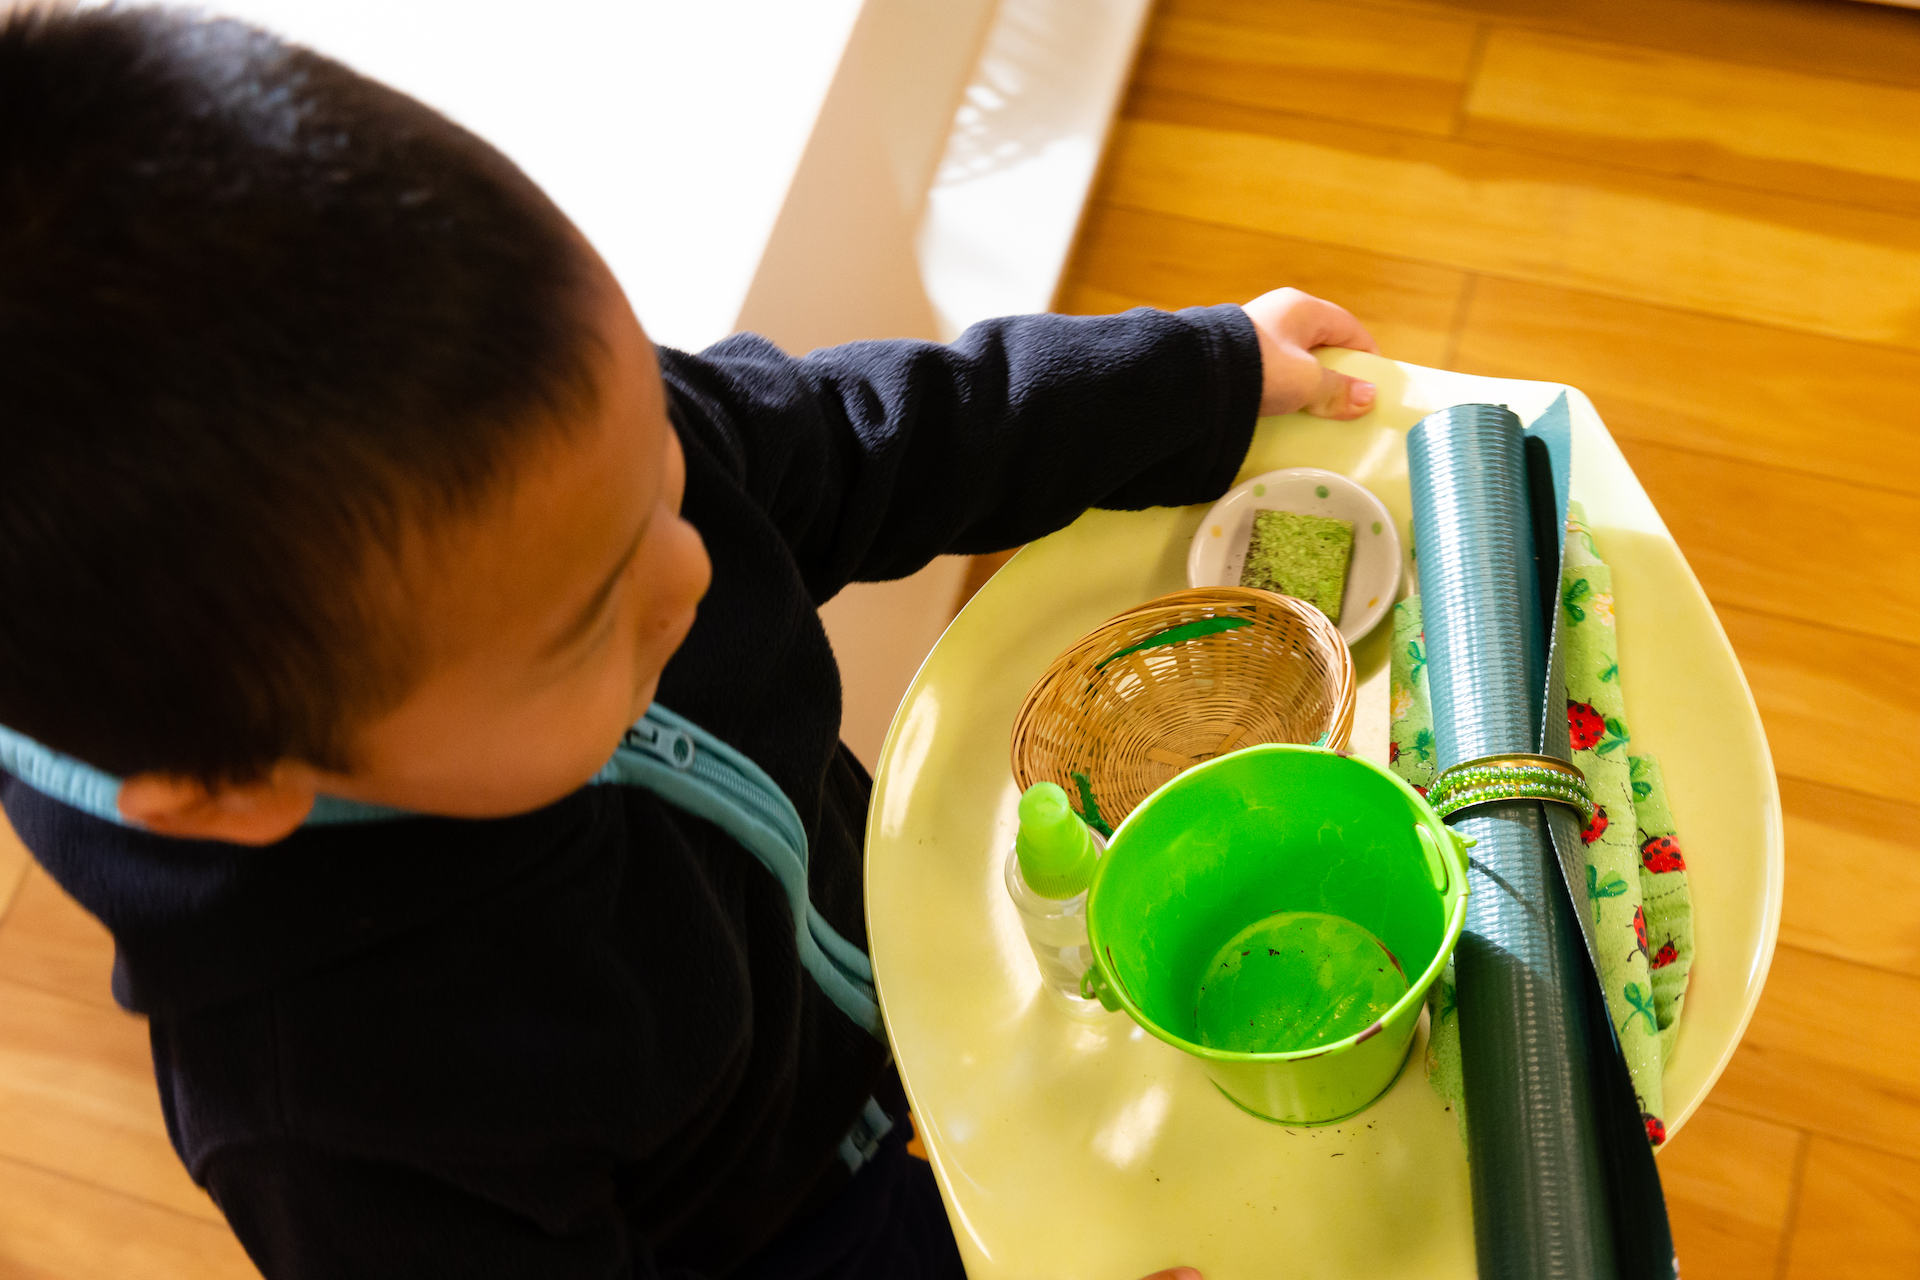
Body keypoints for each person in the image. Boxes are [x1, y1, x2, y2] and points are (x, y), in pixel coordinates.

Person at [0, 6, 1380, 1278]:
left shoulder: (554, 472)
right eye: (586, 621)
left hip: (878, 957)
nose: (695, 560)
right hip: (781, 1231)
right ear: (238, 788)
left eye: (662, 462)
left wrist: (1190, 378)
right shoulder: (336, 1105)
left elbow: (861, 439)